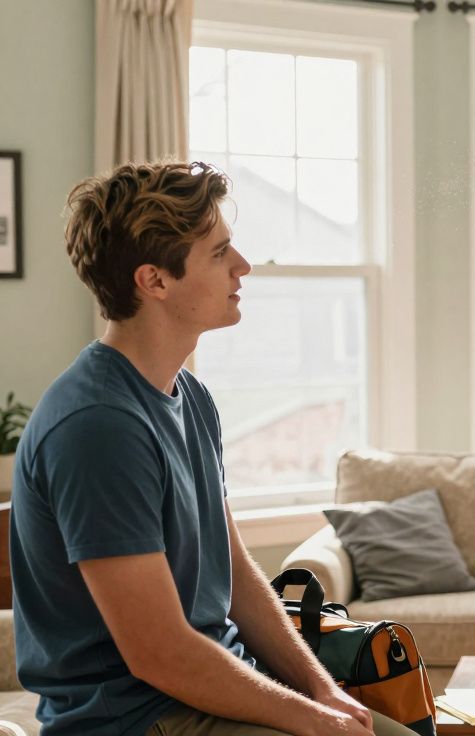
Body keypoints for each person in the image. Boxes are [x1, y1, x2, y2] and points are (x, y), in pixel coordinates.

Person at [9, 162, 412, 736]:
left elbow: (239, 575)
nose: (243, 266)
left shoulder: (188, 394)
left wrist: (321, 688)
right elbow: (160, 653)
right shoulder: (98, 426)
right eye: (220, 252)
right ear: (155, 281)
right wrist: (315, 722)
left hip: (205, 691)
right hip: (136, 718)